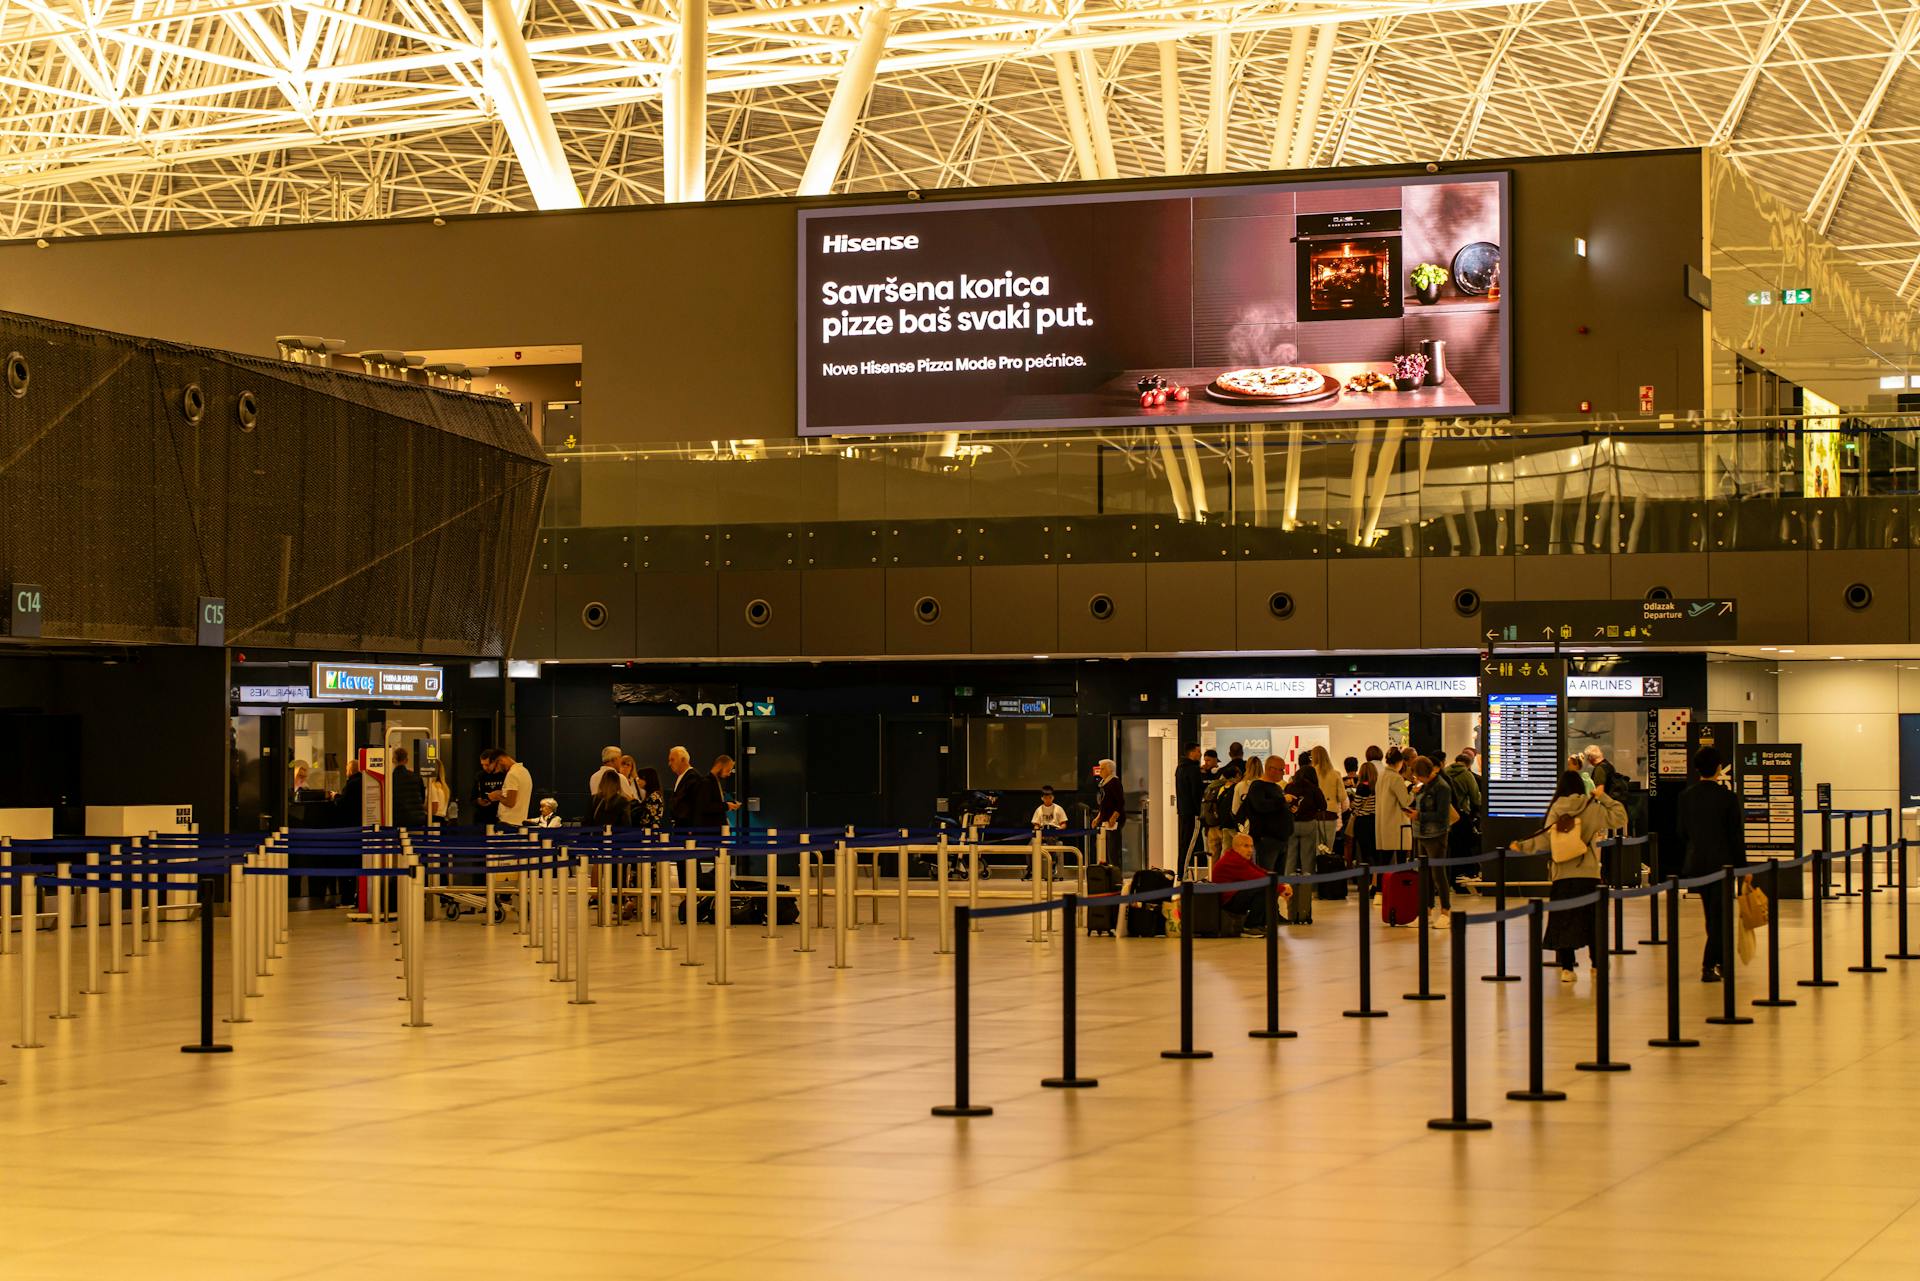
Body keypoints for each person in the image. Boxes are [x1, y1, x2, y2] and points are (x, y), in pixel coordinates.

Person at [1524, 769, 1627, 982]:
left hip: (1562, 873)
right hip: (1588, 872)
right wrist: (1603, 796)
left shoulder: (1556, 808)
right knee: (1592, 920)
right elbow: (1620, 817)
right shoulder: (1592, 807)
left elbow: (1545, 839)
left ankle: (1567, 969)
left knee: (1563, 920)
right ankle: (1597, 965)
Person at [1676, 745, 1745, 982]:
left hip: (1697, 864)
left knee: (1712, 915)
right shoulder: (1727, 798)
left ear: (1697, 769)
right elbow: (1735, 836)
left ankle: (1722, 962)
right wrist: (1743, 868)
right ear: (1718, 768)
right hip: (1722, 865)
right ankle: (1709, 964)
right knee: (1721, 916)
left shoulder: (1686, 797)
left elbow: (1681, 832)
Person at [1282, 754, 1330, 926]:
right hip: (1309, 824)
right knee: (1307, 858)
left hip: (1291, 825)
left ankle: (1288, 887)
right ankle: (1307, 889)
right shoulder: (1314, 789)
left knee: (1291, 858)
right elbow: (1323, 806)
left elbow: (1284, 804)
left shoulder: (1290, 786)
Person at [1212, 830, 1291, 931]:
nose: (1250, 850)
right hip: (1227, 902)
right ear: (1235, 847)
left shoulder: (1239, 857)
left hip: (1234, 896)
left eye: (1251, 846)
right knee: (1264, 888)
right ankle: (1250, 926)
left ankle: (1261, 923)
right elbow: (1257, 877)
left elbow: (1260, 871)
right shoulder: (1234, 861)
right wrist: (1282, 888)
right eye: (1245, 846)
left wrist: (1280, 885)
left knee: (1268, 887)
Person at [1408, 755, 1453, 927]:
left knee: (1438, 874)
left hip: (1436, 836)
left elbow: (1442, 816)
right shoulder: (1423, 787)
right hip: (1421, 834)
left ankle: (1445, 912)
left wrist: (1419, 815)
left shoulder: (1442, 788)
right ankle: (1425, 912)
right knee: (1424, 875)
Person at [1234, 756, 1293, 878]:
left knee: (1278, 877)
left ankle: (1274, 897)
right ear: (1271, 769)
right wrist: (1282, 800)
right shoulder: (1258, 786)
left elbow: (1276, 806)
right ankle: (1266, 897)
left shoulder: (1277, 787)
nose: (1284, 773)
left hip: (1281, 840)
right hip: (1267, 840)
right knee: (1266, 875)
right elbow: (1261, 806)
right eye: (1281, 770)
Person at [1443, 749, 1482, 877]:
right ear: (1469, 764)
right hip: (1462, 815)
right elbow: (1476, 799)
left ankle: (1450, 875)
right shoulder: (1467, 775)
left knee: (1450, 847)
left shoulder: (1445, 772)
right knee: (1463, 847)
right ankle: (1464, 873)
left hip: (1446, 814)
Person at [1374, 748, 1413, 864]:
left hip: (1383, 822)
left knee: (1384, 860)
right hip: (1397, 824)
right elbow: (1405, 801)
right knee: (1401, 858)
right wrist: (1413, 792)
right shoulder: (1396, 778)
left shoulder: (1381, 775)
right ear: (1399, 762)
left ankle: (1381, 882)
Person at [1175, 742, 1205, 875]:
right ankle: (1183, 873)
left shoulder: (1180, 768)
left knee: (1184, 842)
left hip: (1183, 810)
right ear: (1191, 753)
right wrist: (1200, 811)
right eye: (1198, 751)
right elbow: (1196, 792)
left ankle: (1183, 871)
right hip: (1192, 812)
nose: (1200, 754)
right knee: (1190, 843)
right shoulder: (1193, 769)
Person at [486, 749, 531, 828]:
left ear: (500, 760)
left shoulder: (512, 774)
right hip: (519, 821)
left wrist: (497, 796)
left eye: (495, 768)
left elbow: (510, 803)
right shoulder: (524, 771)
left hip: (508, 824)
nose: (498, 771)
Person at [1093, 758, 1124, 860]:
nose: (1100, 771)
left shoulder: (1114, 782)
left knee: (1113, 849)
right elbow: (1103, 804)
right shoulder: (1104, 783)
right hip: (1105, 819)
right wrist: (1098, 817)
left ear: (1109, 770)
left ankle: (1115, 872)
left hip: (1113, 820)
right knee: (1104, 848)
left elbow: (1120, 802)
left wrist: (1114, 817)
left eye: (1102, 769)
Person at [389, 746, 428, 829]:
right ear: (406, 760)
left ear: (394, 760)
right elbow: (422, 797)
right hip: (417, 819)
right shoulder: (416, 776)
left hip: (398, 819)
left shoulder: (391, 778)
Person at [666, 746, 704, 827]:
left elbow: (695, 806)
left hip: (687, 829)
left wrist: (691, 829)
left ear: (683, 760)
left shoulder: (693, 777)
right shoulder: (683, 776)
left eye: (672, 760)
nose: (669, 764)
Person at [1353, 758, 1379, 865]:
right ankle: (1376, 876)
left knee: (1365, 852)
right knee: (1375, 850)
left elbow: (1357, 806)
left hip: (1362, 822)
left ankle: (1366, 876)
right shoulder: (1378, 786)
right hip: (1375, 821)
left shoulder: (1361, 787)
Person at [708, 755, 742, 831]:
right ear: (719, 766)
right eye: (727, 770)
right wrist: (727, 806)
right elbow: (707, 806)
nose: (729, 774)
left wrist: (729, 805)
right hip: (712, 831)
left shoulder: (715, 782)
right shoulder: (707, 783)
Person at [472, 749, 500, 828]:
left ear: (494, 762)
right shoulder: (480, 776)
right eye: (482, 765)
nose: (485, 768)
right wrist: (478, 801)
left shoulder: (503, 775)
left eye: (487, 765)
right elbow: (472, 798)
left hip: (499, 818)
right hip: (482, 818)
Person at [634, 766, 665, 831]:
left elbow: (648, 818)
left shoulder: (654, 797)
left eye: (640, 778)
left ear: (647, 779)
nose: (638, 780)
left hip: (649, 833)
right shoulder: (652, 795)